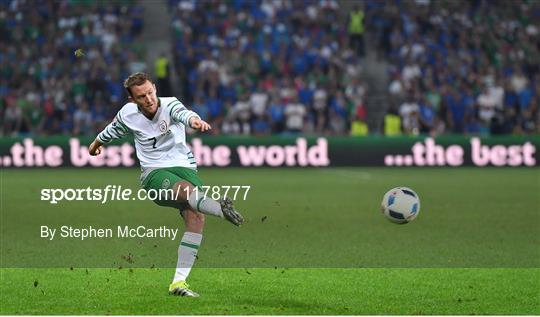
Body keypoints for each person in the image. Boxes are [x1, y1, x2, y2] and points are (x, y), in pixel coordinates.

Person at [88, 72, 244, 297]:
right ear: (132, 100)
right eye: (141, 96)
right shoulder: (128, 114)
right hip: (154, 173)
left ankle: (178, 283)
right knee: (186, 192)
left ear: (155, 89)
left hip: (185, 167)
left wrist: (195, 121)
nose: (149, 99)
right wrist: (94, 145)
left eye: (150, 92)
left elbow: (185, 114)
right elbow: (111, 131)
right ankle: (220, 209)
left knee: (196, 217)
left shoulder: (170, 105)